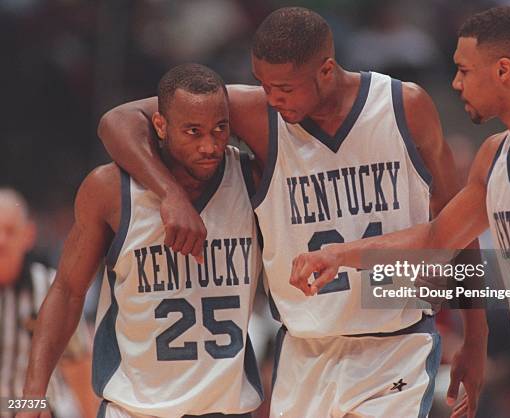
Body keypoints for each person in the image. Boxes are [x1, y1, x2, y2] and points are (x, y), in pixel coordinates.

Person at [97, 7, 488, 418]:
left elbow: (454, 225)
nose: (272, 97)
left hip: (395, 340)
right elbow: (118, 120)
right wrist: (170, 194)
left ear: (326, 70)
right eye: (263, 83)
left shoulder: (403, 105)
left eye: (283, 86)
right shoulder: (259, 114)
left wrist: (476, 339)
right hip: (304, 347)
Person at [289, 6, 510, 418]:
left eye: (464, 70)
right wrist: (339, 255)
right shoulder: (494, 156)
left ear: (504, 70)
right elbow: (436, 240)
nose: (456, 83)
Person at [20, 64, 263, 418]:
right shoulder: (110, 190)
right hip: (134, 409)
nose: (209, 145)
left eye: (219, 129)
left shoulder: (251, 179)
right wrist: (31, 398)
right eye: (193, 132)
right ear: (160, 126)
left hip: (227, 409)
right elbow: (67, 291)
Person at [0, 188, 97, 418]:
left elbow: (79, 364)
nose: (1, 241)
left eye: (10, 231)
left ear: (28, 235)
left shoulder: (51, 287)